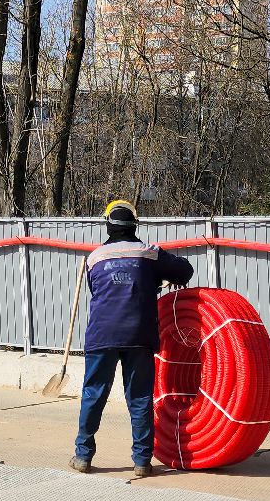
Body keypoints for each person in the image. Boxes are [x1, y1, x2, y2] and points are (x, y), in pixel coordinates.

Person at [72, 199, 194, 477]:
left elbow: (97, 290)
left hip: (101, 334)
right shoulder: (149, 253)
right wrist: (154, 280)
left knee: (93, 394)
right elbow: (185, 270)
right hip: (138, 334)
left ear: (108, 225)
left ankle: (82, 456)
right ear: (135, 224)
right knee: (139, 398)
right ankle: (141, 462)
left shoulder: (94, 257)